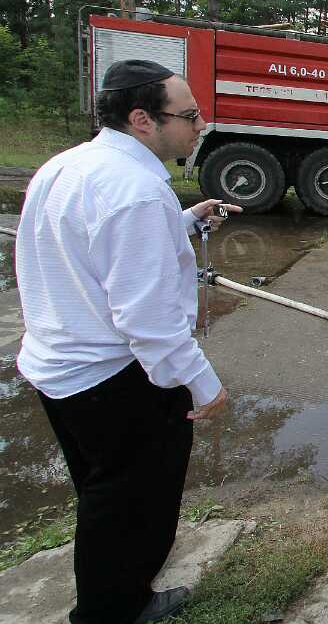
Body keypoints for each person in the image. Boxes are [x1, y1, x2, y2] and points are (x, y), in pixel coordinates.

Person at [16, 59, 232, 624]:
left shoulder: (68, 167)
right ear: (142, 119)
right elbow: (148, 319)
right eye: (188, 115)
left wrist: (184, 221)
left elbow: (95, 248)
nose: (200, 125)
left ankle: (118, 595)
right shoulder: (137, 191)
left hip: (61, 370)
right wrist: (202, 383)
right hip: (116, 378)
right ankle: (113, 610)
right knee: (131, 502)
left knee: (104, 492)